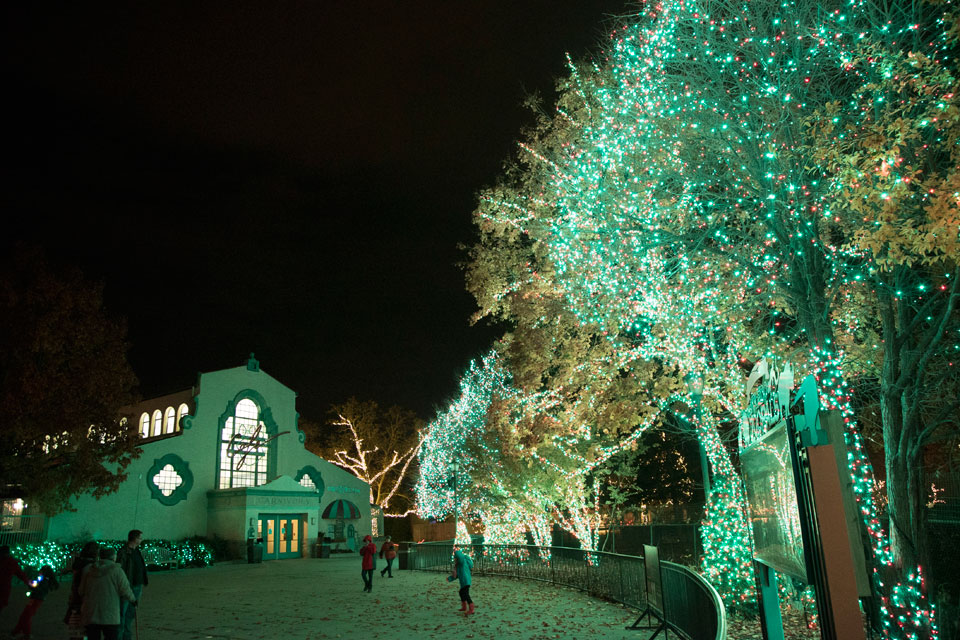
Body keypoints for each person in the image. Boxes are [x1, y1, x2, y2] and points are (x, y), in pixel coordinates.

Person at [80, 547, 136, 640]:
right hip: (110, 613)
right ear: (113, 557)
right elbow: (125, 589)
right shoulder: (117, 571)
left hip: (91, 612)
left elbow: (81, 591)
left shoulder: (88, 570)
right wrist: (133, 600)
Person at [11, 564, 58, 639]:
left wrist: (33, 586)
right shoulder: (41, 580)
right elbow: (36, 587)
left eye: (41, 571)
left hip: (36, 600)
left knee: (26, 616)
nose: (39, 572)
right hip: (34, 599)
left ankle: (24, 634)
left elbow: (39, 591)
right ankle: (18, 631)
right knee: (25, 616)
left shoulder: (44, 581)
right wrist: (32, 585)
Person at [116, 530, 147, 640]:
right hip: (127, 587)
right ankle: (120, 636)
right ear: (135, 538)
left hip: (137, 585)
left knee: (130, 613)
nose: (141, 540)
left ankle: (127, 636)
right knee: (122, 613)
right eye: (140, 538)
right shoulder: (123, 552)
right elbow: (120, 570)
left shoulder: (136, 551)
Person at [65, 542, 100, 640]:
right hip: (84, 599)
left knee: (76, 627)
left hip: (75, 598)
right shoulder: (90, 566)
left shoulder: (79, 564)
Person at [0, 545, 30, 616]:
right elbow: (20, 574)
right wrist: (28, 582)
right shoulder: (11, 562)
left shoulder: (10, 562)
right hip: (4, 588)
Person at [451, 547, 475, 614]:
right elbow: (457, 575)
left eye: (455, 558)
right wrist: (450, 578)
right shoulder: (458, 565)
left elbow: (460, 557)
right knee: (461, 592)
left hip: (466, 581)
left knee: (465, 594)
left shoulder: (462, 562)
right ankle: (464, 606)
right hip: (464, 581)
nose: (454, 559)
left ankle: (471, 608)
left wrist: (456, 551)